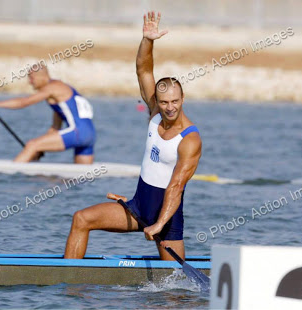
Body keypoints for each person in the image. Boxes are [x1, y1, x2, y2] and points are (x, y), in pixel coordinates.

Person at [64, 11, 202, 260]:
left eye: (174, 101)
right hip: (137, 207)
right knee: (81, 219)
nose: (169, 107)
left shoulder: (190, 139)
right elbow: (143, 70)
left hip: (167, 218)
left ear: (183, 99)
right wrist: (148, 40)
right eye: (163, 102)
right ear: (156, 102)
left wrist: (159, 224)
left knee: (173, 289)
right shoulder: (155, 114)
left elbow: (176, 186)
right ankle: (67, 280)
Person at [0, 65, 95, 163]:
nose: (29, 82)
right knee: (81, 177)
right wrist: (40, 150)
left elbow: (24, 102)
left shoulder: (52, 88)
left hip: (78, 132)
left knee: (32, 145)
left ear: (42, 76)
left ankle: (8, 176)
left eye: (31, 77)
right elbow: (55, 128)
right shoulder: (60, 93)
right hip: (90, 135)